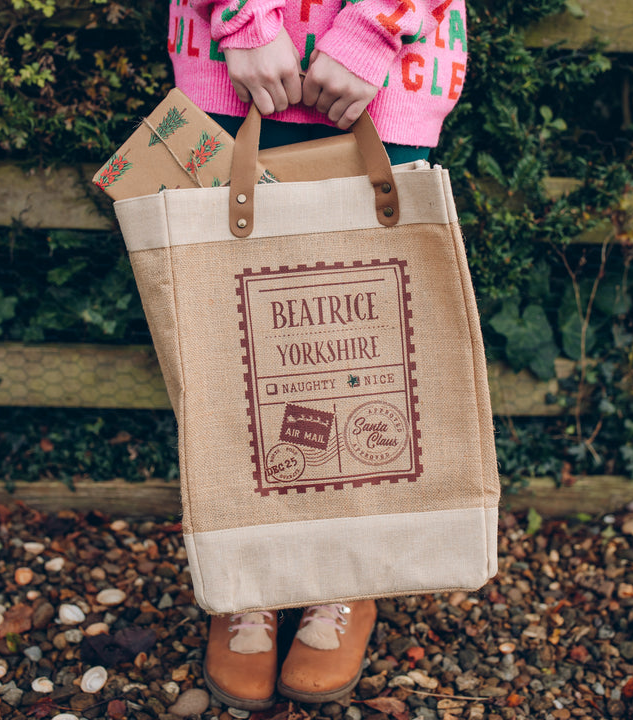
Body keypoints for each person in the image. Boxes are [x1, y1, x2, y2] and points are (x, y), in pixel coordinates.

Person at [167, 0, 469, 709]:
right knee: (237, 354)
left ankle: (344, 573)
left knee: (360, 356)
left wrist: (373, 29)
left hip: (390, 72)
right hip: (225, 63)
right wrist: (242, 17)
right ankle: (250, 572)